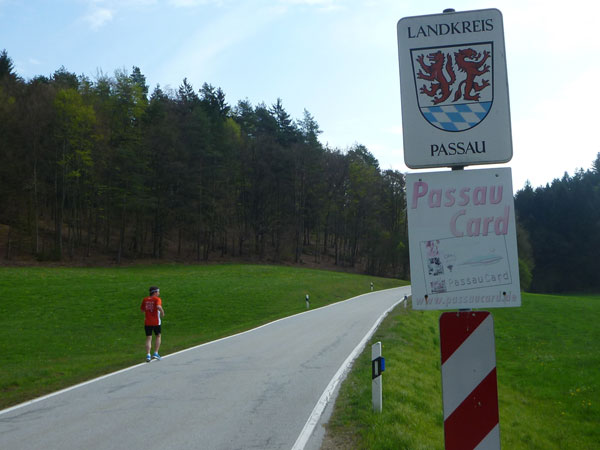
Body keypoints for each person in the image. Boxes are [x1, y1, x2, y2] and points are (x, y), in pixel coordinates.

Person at [140, 286, 165, 362]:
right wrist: (162, 312)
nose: (159, 293)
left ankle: (148, 355)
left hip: (147, 321)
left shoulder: (145, 299)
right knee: (158, 336)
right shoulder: (157, 299)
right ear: (155, 292)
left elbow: (142, 310)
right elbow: (158, 306)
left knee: (148, 338)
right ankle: (156, 353)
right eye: (158, 292)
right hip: (156, 321)